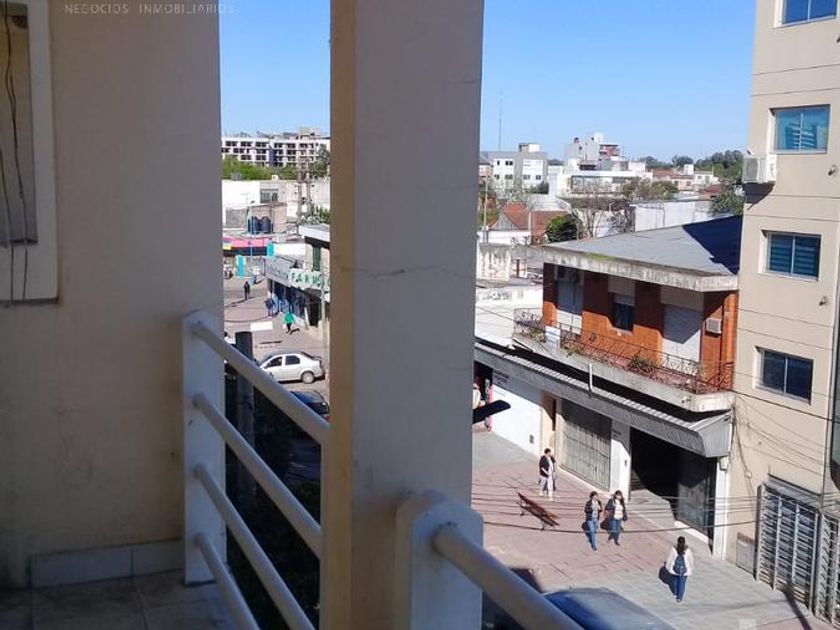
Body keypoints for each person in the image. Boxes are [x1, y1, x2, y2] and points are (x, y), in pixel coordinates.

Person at [665, 536, 694, 603]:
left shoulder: (674, 549)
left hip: (675, 569)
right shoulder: (688, 550)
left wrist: (667, 566)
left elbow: (670, 558)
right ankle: (679, 597)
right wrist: (691, 567)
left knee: (675, 580)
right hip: (685, 570)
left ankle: (675, 592)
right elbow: (691, 560)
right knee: (682, 583)